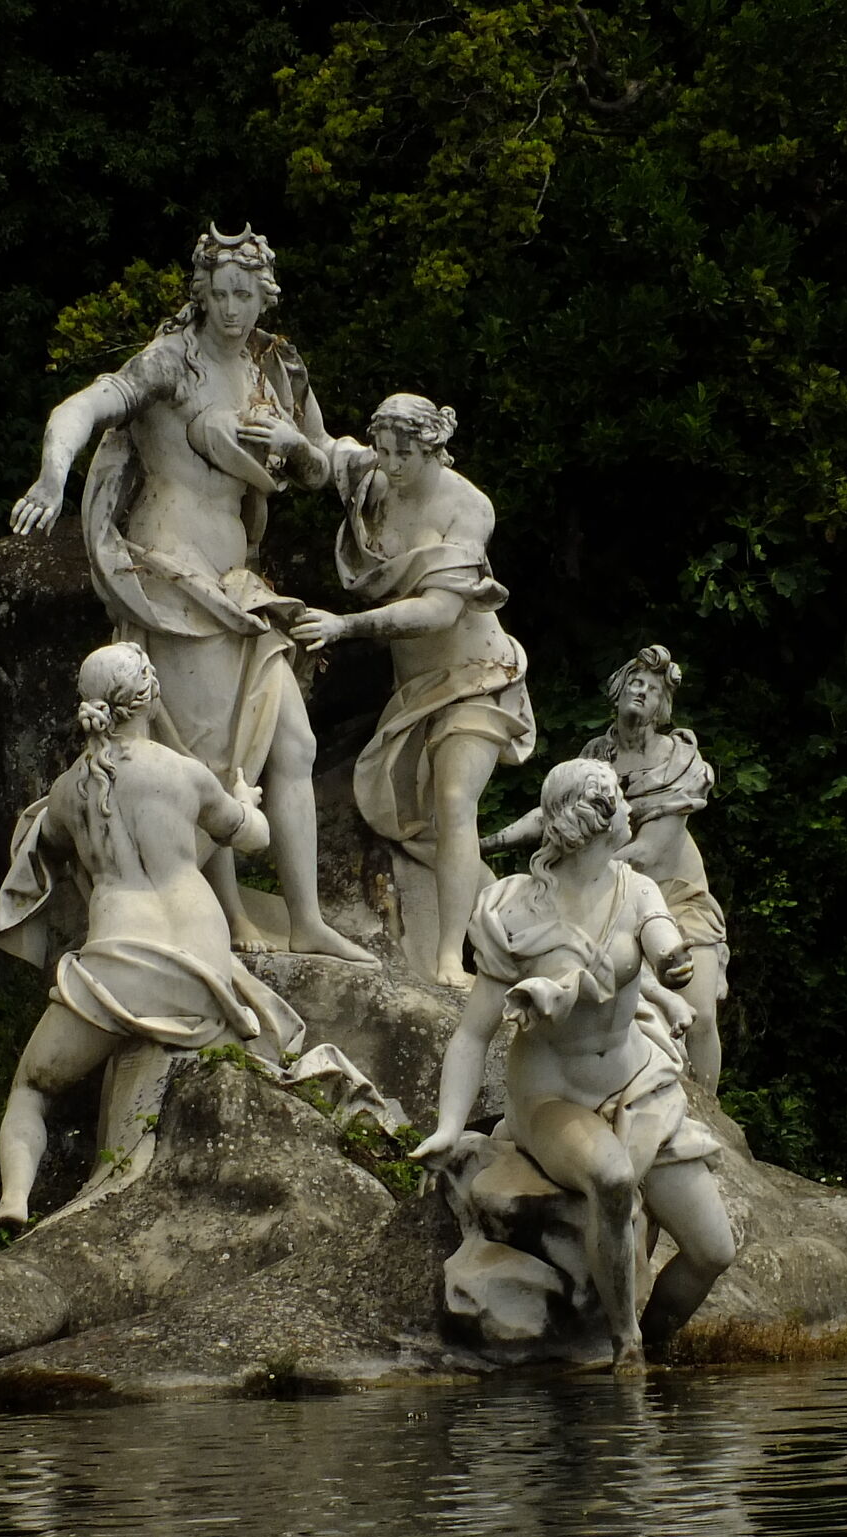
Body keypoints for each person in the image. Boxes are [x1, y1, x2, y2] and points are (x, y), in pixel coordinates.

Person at [9, 225, 372, 964]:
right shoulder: (173, 360)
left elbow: (320, 460)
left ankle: (306, 920)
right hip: (173, 576)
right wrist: (54, 473)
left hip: (238, 584)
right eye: (220, 293)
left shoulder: (276, 368)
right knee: (207, 762)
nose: (233, 309)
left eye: (246, 294)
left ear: (264, 295)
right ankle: (216, 911)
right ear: (200, 292)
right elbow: (82, 406)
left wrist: (308, 454)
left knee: (291, 743)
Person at [0, 643, 306, 1238]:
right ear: (151, 697)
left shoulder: (69, 791)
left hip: (118, 964)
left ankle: (15, 1197)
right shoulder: (184, 772)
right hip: (202, 963)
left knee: (31, 1087)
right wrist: (248, 801)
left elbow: (36, 850)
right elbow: (250, 837)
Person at [414, 759, 736, 1371]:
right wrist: (449, 1127)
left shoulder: (634, 887)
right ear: (591, 819)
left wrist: (671, 965)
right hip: (551, 1098)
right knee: (612, 1180)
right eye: (619, 798)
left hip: (637, 1084)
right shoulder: (514, 910)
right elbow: (473, 1033)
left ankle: (661, 1344)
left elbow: (663, 939)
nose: (629, 809)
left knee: (713, 1250)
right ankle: (625, 1350)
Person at [293, 394, 534, 988]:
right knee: (417, 826)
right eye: (383, 449)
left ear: (433, 448)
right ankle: (522, 927)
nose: (391, 463)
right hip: (414, 687)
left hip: (477, 674)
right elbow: (322, 446)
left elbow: (439, 610)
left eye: (405, 453)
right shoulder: (374, 477)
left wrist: (345, 626)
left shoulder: (467, 506)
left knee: (455, 802)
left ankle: (452, 958)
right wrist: (279, 369)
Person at [488, 646, 730, 1088]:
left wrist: (577, 862)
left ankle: (711, 1111)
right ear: (617, 692)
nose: (641, 691)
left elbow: (648, 852)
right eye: (634, 683)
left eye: (652, 689)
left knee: (699, 1015)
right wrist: (494, 840)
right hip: (608, 895)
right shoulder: (597, 756)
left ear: (663, 707)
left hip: (674, 895)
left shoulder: (680, 763)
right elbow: (558, 814)